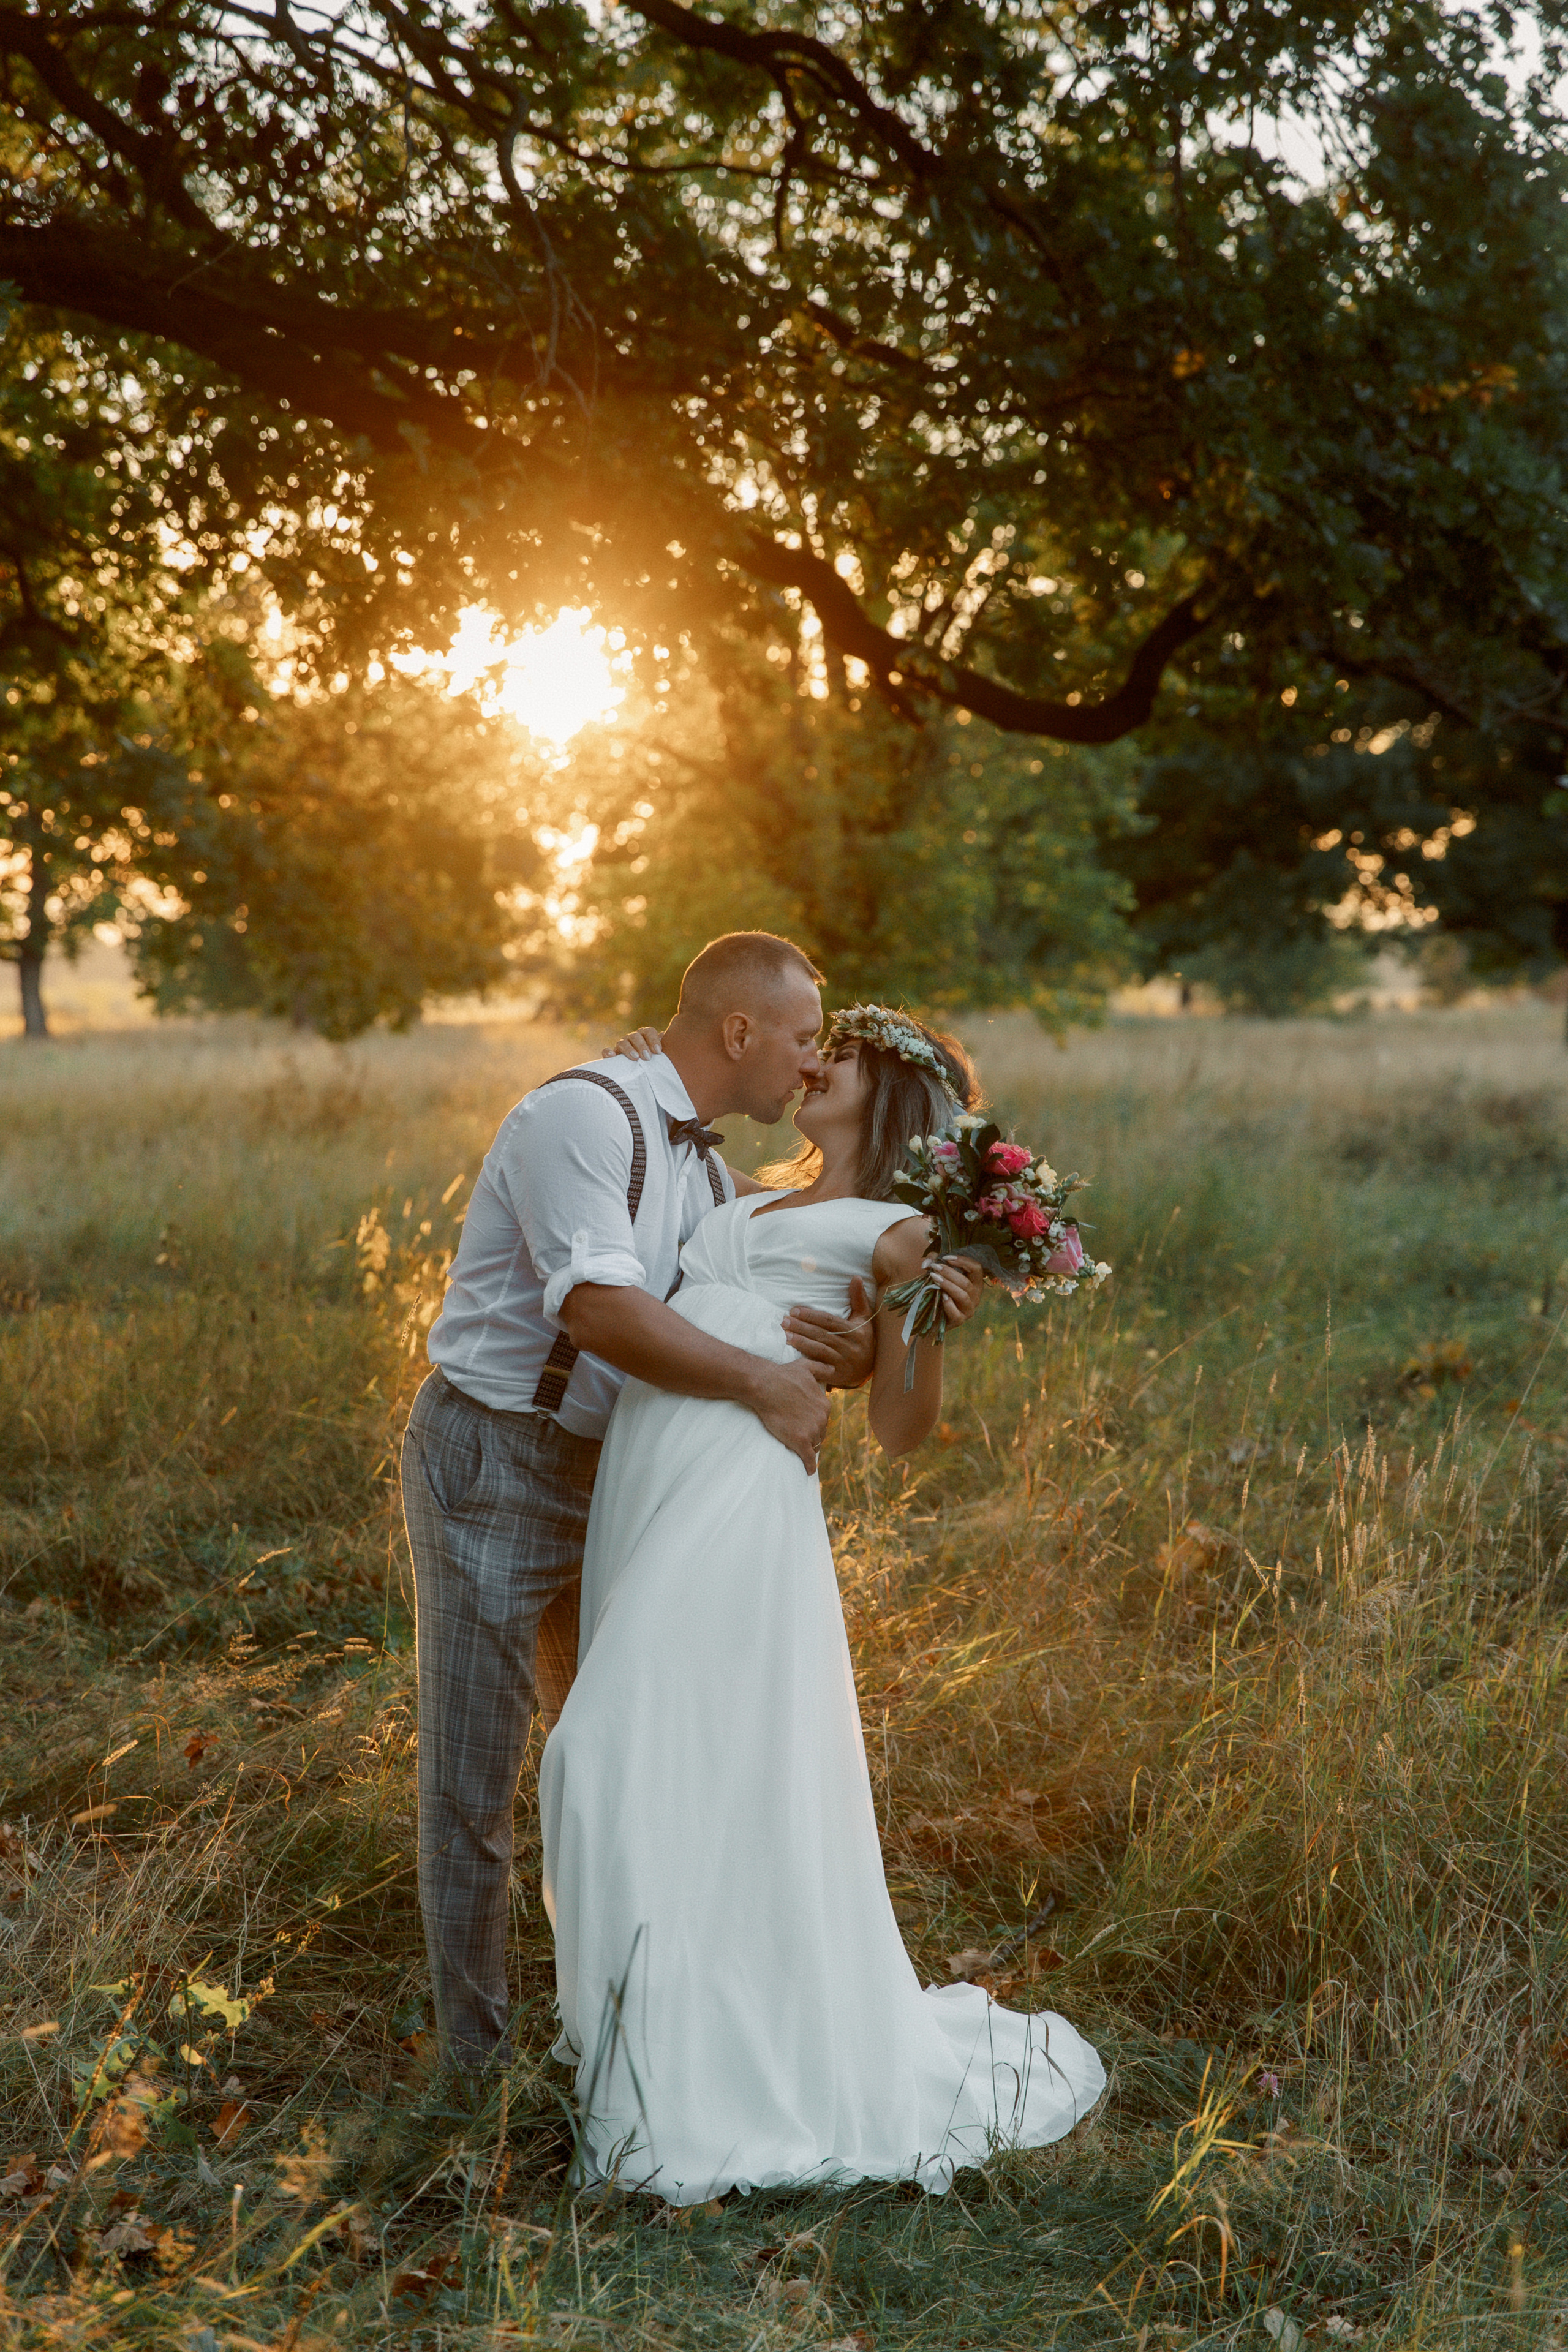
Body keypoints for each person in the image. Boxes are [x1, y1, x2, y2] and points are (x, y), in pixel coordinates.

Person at [540, 1004, 1106, 2203]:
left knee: (606, 1750)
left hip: (739, 1498)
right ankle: (646, 2035)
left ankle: (695, 2079)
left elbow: (898, 1430)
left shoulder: (900, 1232)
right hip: (651, 1473)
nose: (809, 1064)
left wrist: (920, 1336)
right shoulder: (744, 1193)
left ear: (887, 1090)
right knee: (680, 1762)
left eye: (832, 1052)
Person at [401, 932, 878, 2075]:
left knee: (609, 1758)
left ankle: (610, 2030)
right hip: (497, 1465)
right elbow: (602, 1312)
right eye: (806, 1038)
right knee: (477, 1773)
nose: (813, 1066)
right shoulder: (586, 1116)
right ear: (738, 1033)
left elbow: (759, 1293)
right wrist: (765, 1386)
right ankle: (474, 2068)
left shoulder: (712, 1170)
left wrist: (850, 1350)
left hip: (616, 1477)